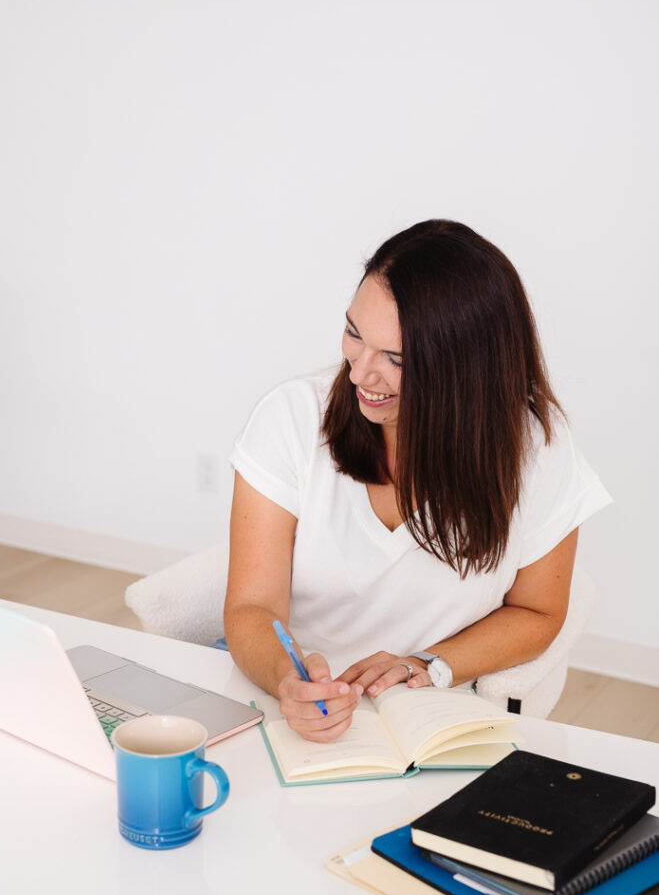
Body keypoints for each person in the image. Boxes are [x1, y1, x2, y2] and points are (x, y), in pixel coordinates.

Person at [224, 219, 611, 742]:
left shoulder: (536, 449)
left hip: (431, 714)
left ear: (466, 370)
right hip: (295, 703)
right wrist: (288, 681)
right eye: (354, 335)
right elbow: (252, 606)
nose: (361, 374)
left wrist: (428, 665)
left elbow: (538, 610)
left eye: (397, 359)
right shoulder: (291, 419)